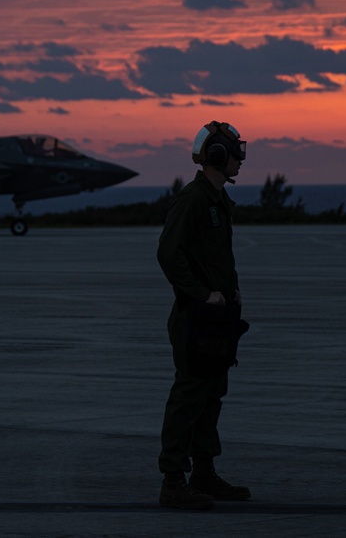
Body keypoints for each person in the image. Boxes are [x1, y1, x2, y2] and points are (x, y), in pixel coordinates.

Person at [156, 120, 252, 510]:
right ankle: (173, 480)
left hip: (217, 316)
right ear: (215, 156)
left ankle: (204, 474)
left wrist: (231, 290)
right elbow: (169, 254)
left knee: (211, 396)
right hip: (196, 317)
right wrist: (201, 294)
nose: (240, 159)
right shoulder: (194, 199)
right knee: (189, 397)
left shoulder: (217, 201)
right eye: (234, 152)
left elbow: (216, 258)